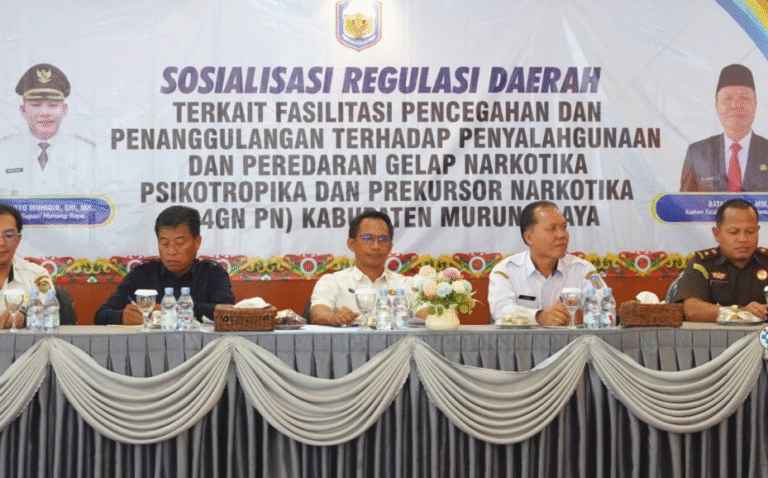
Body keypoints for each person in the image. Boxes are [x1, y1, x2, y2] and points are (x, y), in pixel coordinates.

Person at [94, 205, 235, 325]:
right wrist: (121, 316)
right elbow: (101, 314)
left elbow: (229, 313)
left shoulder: (213, 273)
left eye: (180, 243)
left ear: (197, 242)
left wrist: (173, 309)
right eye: (165, 243)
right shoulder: (142, 274)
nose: (172, 251)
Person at [488, 201, 605, 326]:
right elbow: (501, 310)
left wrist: (583, 315)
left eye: (564, 227)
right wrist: (538, 317)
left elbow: (606, 309)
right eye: (552, 229)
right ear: (529, 238)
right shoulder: (507, 271)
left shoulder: (583, 270)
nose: (562, 235)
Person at [310, 210, 425, 326]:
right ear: (351, 244)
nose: (376, 246)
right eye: (367, 238)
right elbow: (317, 312)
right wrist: (334, 317)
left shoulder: (407, 284)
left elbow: (426, 314)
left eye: (383, 239)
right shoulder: (332, 281)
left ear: (390, 247)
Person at [0, 63, 95, 196]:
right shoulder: (3, 151)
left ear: (64, 110)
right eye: (36, 104)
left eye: (53, 105)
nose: (44, 113)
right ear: (23, 110)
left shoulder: (86, 152)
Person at [674, 198, 767, 322]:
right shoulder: (702, 263)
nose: (743, 239)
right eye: (734, 232)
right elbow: (692, 311)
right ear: (717, 234)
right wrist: (741, 313)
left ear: (758, 231)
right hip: (713, 335)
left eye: (750, 232)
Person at [680, 64, 768, 192]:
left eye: (744, 98)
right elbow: (684, 202)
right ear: (716, 105)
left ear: (755, 104)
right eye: (728, 98)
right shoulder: (697, 153)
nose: (736, 105)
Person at [0, 203, 54, 328]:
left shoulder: (37, 275)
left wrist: (24, 316)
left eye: (8, 235)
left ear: (18, 240)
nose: (1, 243)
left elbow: (50, 314)